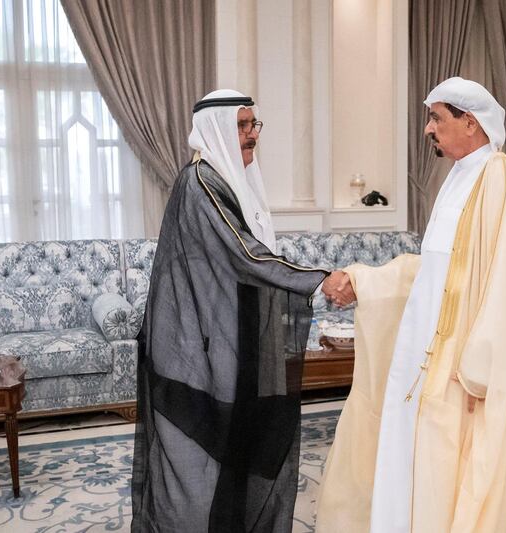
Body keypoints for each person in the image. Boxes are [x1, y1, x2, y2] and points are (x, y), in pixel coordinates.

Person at [317, 77, 506, 532]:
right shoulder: (459, 175)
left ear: (471, 123)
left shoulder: (499, 173)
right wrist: (366, 280)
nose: (428, 129)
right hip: (423, 353)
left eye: (436, 117)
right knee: (413, 452)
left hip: (460, 364)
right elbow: (438, 267)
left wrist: (481, 364)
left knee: (451, 462)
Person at [130, 89, 351, 533]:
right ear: (216, 129)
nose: (252, 135)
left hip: (224, 334)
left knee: (236, 443)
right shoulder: (201, 182)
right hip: (195, 344)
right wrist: (319, 278)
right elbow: (245, 254)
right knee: (196, 453)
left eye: (255, 125)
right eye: (242, 126)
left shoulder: (230, 180)